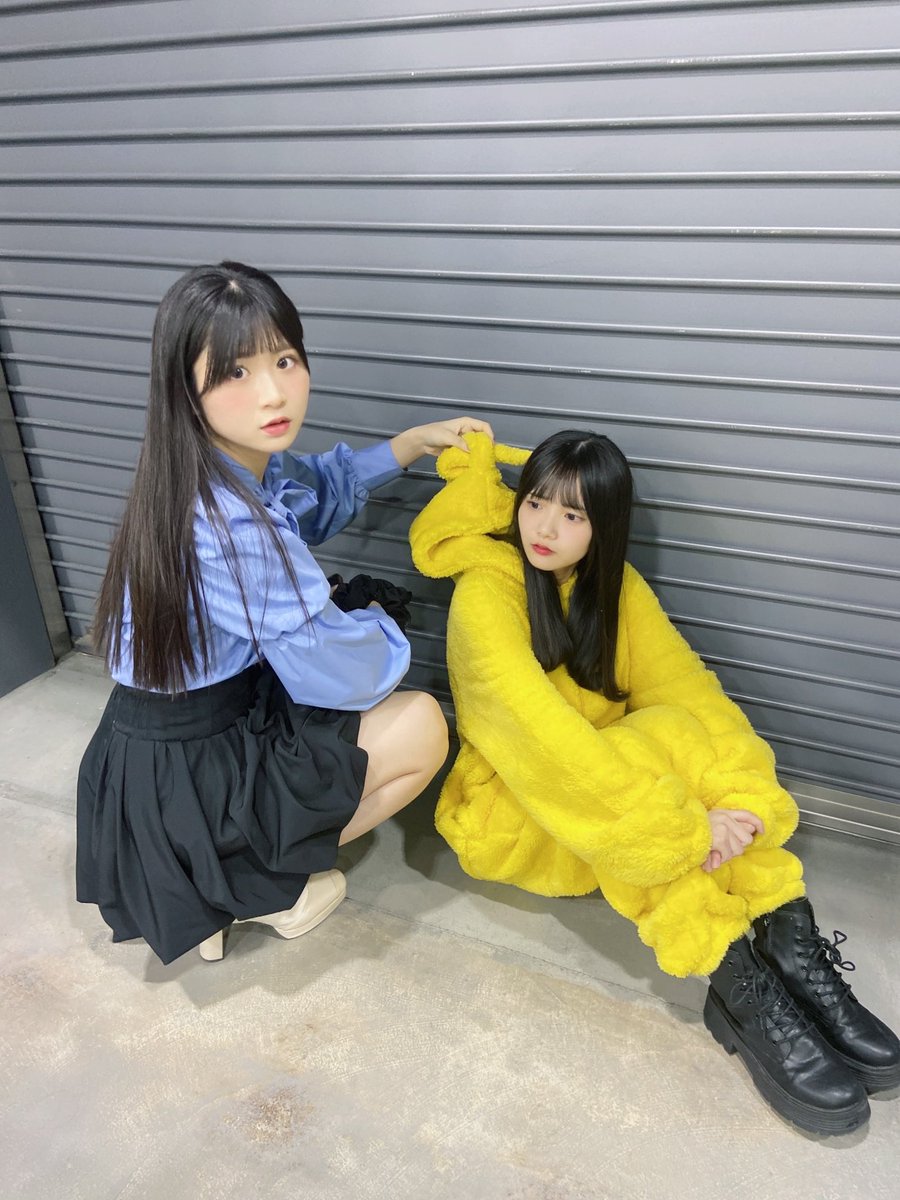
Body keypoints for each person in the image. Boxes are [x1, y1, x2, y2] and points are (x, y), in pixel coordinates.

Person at [410, 429, 899, 1136]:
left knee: (675, 724)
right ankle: (734, 981)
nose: (545, 528)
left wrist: (744, 800)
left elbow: (687, 690)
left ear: (604, 526)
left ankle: (788, 940)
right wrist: (684, 829)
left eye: (573, 515)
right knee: (642, 762)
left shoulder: (615, 585)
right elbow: (546, 749)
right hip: (516, 812)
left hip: (607, 790)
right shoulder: (485, 595)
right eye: (536, 502)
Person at [76, 260, 494, 966]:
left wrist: (410, 445)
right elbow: (342, 675)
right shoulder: (230, 527)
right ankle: (254, 887)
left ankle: (213, 880)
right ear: (185, 389)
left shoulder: (196, 466)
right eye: (235, 372)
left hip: (148, 756)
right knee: (423, 725)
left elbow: (316, 488)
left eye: (284, 360)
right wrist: (388, 622)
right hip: (195, 775)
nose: (272, 391)